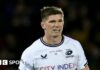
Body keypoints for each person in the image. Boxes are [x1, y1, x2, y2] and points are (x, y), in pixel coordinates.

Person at [18, 6, 90, 70]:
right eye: (52, 21)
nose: (57, 25)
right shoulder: (30, 52)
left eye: (60, 21)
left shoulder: (75, 45)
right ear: (43, 25)